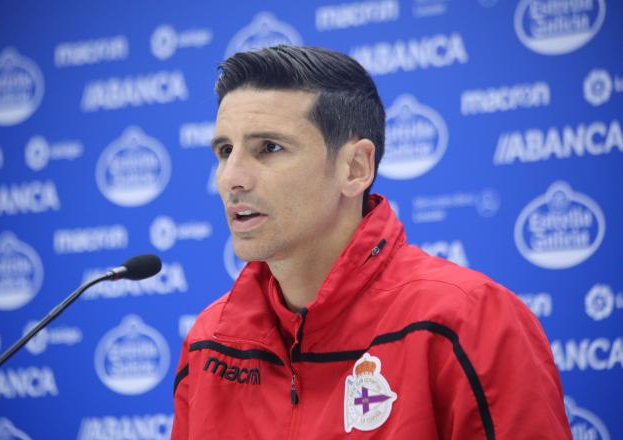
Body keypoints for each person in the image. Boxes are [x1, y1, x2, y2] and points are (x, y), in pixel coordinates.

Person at [171, 45, 570, 439]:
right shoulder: (209, 344)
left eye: (269, 148)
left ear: (355, 168)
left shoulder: (466, 322)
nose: (231, 178)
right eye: (225, 151)